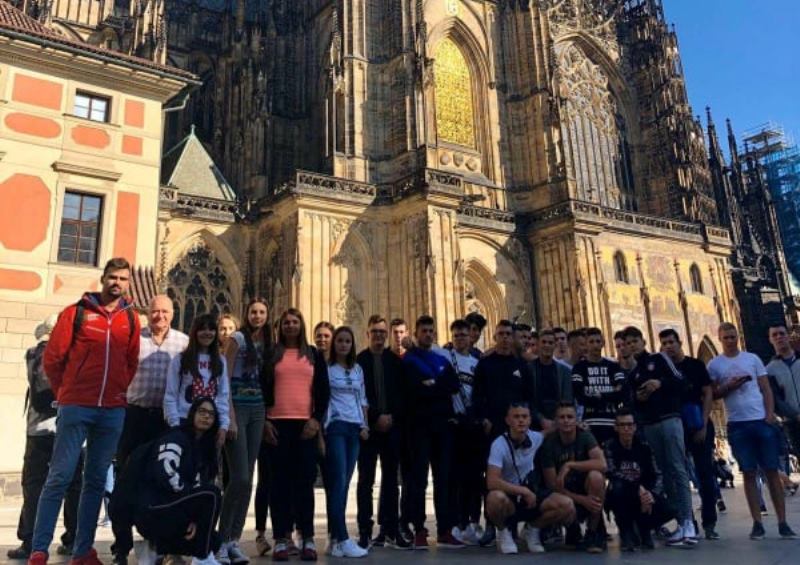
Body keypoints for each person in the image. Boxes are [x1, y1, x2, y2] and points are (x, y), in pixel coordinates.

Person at [29, 257, 140, 565]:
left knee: (95, 483)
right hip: (77, 406)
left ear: (128, 283)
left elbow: (131, 362)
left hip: (112, 410)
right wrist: (66, 392)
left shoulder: (131, 320)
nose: (117, 283)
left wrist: (119, 390)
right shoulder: (75, 313)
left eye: (123, 279)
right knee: (59, 477)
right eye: (113, 277)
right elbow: (53, 358)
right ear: (103, 279)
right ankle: (39, 549)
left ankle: (82, 551)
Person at [113, 295, 189, 564]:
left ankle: (161, 545)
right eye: (155, 311)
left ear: (173, 313)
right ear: (147, 313)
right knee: (125, 481)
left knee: (164, 482)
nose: (160, 316)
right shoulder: (134, 339)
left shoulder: (183, 342)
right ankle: (121, 546)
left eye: (165, 312)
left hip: (166, 420)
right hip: (134, 416)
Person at [707, 323, 797, 540]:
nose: (730, 340)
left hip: (760, 420)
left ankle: (783, 522)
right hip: (737, 424)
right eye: (726, 337)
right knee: (748, 473)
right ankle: (757, 523)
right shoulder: (715, 365)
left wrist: (769, 414)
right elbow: (713, 394)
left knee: (772, 471)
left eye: (733, 336)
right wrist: (730, 386)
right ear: (720, 338)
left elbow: (766, 388)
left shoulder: (752, 359)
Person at [8, 316, 81, 560]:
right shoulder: (77, 354)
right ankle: (73, 539)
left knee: (34, 485)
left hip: (39, 431)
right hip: (70, 430)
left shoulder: (34, 353)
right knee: (73, 486)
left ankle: (30, 541)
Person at [262, 308, 330, 561]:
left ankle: (307, 537)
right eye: (286, 322)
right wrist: (265, 420)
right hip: (277, 425)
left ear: (301, 325)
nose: (290, 326)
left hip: (305, 426)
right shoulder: (271, 354)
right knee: (278, 484)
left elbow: (323, 390)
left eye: (294, 322)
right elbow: (262, 387)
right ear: (280, 327)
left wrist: (316, 419)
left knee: (304, 484)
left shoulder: (313, 354)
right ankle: (281, 538)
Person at [121, 397, 223, 565]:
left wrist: (194, 518)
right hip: (154, 509)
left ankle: (157, 549)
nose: (206, 417)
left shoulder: (201, 450)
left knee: (213, 538)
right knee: (211, 495)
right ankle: (201, 557)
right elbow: (164, 473)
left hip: (173, 510)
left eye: (211, 414)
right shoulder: (176, 438)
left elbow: (197, 486)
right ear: (192, 414)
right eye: (202, 411)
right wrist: (188, 505)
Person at [624, 325, 696, 545]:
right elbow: (632, 403)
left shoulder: (660, 359)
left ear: (643, 342)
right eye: (628, 343)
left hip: (669, 419)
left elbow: (681, 381)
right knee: (666, 473)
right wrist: (639, 397)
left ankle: (689, 522)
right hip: (650, 425)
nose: (632, 346)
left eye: (635, 341)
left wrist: (659, 383)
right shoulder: (634, 373)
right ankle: (680, 522)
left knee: (678, 468)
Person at [219, 298, 273, 564]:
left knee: (248, 478)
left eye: (262, 312)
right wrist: (228, 415)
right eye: (254, 312)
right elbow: (225, 378)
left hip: (257, 410)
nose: (258, 316)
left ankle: (233, 540)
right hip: (238, 409)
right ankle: (220, 540)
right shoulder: (237, 339)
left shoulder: (267, 342)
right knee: (239, 477)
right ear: (247, 314)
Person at [402, 315, 463, 549]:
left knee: (444, 479)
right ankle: (419, 529)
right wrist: (437, 387)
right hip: (419, 427)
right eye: (424, 331)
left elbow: (454, 385)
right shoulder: (409, 360)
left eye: (431, 331)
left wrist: (431, 385)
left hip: (442, 427)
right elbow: (413, 390)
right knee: (418, 479)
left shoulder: (441, 359)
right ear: (416, 333)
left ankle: (445, 529)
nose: (428, 334)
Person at [485, 403, 575, 555]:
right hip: (510, 497)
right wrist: (523, 491)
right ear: (508, 420)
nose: (521, 420)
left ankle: (532, 530)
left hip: (532, 496)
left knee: (566, 505)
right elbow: (492, 481)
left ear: (530, 420)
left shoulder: (535, 437)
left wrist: (579, 425)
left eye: (524, 416)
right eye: (516, 417)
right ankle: (504, 532)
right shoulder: (498, 445)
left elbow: (551, 429)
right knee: (494, 498)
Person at [355, 316, 410, 550]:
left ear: (386, 335)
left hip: (391, 427)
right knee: (365, 481)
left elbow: (402, 395)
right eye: (374, 331)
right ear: (367, 334)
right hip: (369, 429)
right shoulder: (359, 362)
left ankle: (391, 529)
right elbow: (358, 396)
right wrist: (376, 417)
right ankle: (364, 531)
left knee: (391, 481)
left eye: (381, 332)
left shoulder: (395, 361)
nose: (378, 335)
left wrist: (391, 417)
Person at [659, 328, 719, 540]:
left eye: (671, 342)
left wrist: (703, 424)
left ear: (680, 342)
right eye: (664, 343)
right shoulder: (663, 369)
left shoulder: (695, 365)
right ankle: (688, 522)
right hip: (675, 426)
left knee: (705, 474)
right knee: (678, 477)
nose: (668, 346)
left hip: (697, 422)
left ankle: (710, 523)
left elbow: (708, 393)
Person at [324, 327, 370, 558]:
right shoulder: (327, 369)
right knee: (339, 481)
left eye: (347, 341)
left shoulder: (358, 369)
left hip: (354, 429)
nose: (343, 345)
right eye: (340, 341)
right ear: (334, 344)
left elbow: (362, 399)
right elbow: (323, 399)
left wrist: (365, 425)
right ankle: (342, 538)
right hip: (336, 427)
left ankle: (334, 540)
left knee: (343, 484)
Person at [539, 403, 607, 554]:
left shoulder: (585, 436)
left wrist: (570, 465)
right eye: (562, 417)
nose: (566, 420)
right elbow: (552, 485)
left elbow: (602, 464)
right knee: (558, 499)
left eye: (570, 417)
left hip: (585, 487)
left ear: (576, 420)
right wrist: (582, 500)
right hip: (564, 492)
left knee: (596, 477)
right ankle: (572, 528)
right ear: (556, 421)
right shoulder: (549, 444)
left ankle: (593, 532)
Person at [604, 409, 674, 551]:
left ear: (635, 427)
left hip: (644, 495)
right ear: (616, 427)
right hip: (623, 494)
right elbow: (611, 472)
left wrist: (650, 494)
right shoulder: (610, 446)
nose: (626, 428)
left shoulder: (644, 446)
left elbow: (658, 474)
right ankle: (626, 531)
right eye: (622, 425)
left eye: (629, 425)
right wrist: (637, 488)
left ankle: (644, 529)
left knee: (670, 508)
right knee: (617, 488)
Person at [440, 320, 483, 545]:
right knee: (453, 476)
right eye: (456, 335)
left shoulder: (478, 362)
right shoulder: (446, 357)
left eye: (464, 335)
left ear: (471, 337)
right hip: (454, 423)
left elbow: (482, 392)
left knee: (473, 476)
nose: (460, 338)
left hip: (472, 424)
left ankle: (472, 522)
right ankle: (455, 522)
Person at [164, 314, 230, 435]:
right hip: (184, 420)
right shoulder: (180, 359)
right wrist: (174, 424)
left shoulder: (221, 361)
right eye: (202, 329)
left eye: (211, 329)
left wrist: (224, 425)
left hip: (210, 421)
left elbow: (223, 395)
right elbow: (170, 395)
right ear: (195, 332)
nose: (207, 333)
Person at [473, 320, 536, 439]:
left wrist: (527, 418)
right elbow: (477, 394)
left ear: (513, 338)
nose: (505, 337)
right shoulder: (484, 364)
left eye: (508, 334)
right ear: (495, 337)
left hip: (517, 424)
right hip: (493, 423)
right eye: (501, 334)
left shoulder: (521, 365)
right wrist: (483, 419)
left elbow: (529, 395)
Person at [571, 328, 626, 446]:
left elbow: (622, 393)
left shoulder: (613, 366)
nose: (595, 345)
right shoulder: (579, 367)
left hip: (612, 422)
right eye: (591, 342)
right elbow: (579, 395)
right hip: (588, 423)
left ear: (603, 343)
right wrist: (611, 393)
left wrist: (598, 395)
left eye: (598, 341)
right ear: (586, 344)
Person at [766, 324, 800, 461]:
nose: (779, 337)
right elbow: (775, 398)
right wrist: (795, 415)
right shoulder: (769, 370)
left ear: (788, 336)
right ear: (770, 339)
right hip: (793, 423)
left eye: (781, 333)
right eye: (774, 335)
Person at [530, 329, 572, 433]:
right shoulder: (528, 369)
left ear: (555, 345)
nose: (547, 345)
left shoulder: (565, 371)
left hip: (559, 424)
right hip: (533, 424)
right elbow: (527, 398)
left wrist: (558, 420)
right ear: (538, 344)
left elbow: (567, 398)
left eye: (550, 343)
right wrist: (541, 419)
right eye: (544, 342)